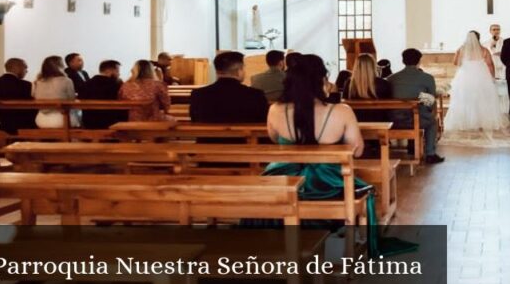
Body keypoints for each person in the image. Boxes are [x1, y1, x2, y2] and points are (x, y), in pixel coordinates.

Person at [263, 53, 414, 257]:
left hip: (283, 178)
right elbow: (358, 150)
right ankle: (340, 242)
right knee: (362, 190)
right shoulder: (340, 111)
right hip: (327, 181)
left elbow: (274, 139)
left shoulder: (275, 110)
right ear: (322, 80)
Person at [388, 48, 443, 164]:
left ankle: (412, 146)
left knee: (413, 113)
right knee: (432, 121)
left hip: (393, 120)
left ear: (403, 61)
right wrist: (424, 103)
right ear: (419, 61)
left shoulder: (391, 78)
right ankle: (430, 154)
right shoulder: (427, 78)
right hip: (417, 120)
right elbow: (430, 101)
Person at [445, 31, 503, 132]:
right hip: (481, 78)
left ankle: (466, 122)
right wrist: (492, 78)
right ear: (478, 38)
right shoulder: (484, 50)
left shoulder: (461, 50)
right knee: (481, 100)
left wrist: (461, 57)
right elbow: (490, 65)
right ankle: (481, 122)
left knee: (464, 99)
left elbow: (455, 63)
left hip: (464, 78)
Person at [189, 51, 269, 124]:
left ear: (217, 71)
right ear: (239, 71)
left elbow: (194, 120)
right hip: (246, 139)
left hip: (207, 139)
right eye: (243, 68)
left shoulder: (198, 95)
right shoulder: (256, 95)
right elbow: (264, 122)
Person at [0, 58, 35, 135]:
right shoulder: (26, 85)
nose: (26, 71)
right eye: (25, 68)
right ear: (17, 68)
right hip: (21, 123)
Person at [33, 56, 80, 128]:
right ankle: (76, 138)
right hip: (62, 119)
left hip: (41, 119)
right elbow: (71, 100)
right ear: (60, 66)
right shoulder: (66, 80)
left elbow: (33, 96)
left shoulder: (37, 82)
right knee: (79, 111)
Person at [79, 60, 127, 129]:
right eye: (117, 71)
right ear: (109, 70)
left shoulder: (86, 84)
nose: (119, 74)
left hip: (89, 122)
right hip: (111, 122)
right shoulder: (115, 85)